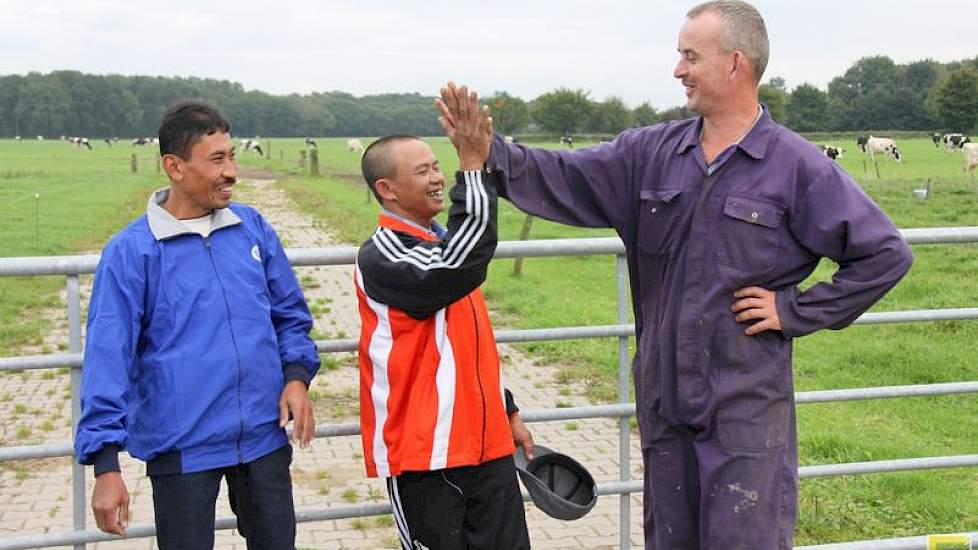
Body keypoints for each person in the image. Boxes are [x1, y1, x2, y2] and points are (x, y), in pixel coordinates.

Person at [437, 2, 914, 547]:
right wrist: (489, 153)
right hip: (664, 401)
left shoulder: (797, 166)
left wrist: (793, 310)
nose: (678, 69)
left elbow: (884, 254)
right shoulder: (650, 154)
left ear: (735, 64)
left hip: (745, 407)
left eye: (691, 56)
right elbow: (565, 174)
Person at [74, 100, 320, 550]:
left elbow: (290, 314)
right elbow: (107, 358)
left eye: (232, 156)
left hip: (263, 439)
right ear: (174, 166)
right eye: (217, 159)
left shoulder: (253, 229)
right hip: (182, 450)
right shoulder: (132, 252)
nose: (232, 171)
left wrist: (296, 378)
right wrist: (106, 465)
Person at [354, 91, 534, 550]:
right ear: (387, 190)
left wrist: (506, 409)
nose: (437, 177)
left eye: (438, 166)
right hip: (427, 454)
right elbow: (459, 265)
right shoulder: (384, 253)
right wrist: (471, 166)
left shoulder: (445, 243)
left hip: (488, 444)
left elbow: (467, 347)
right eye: (424, 171)